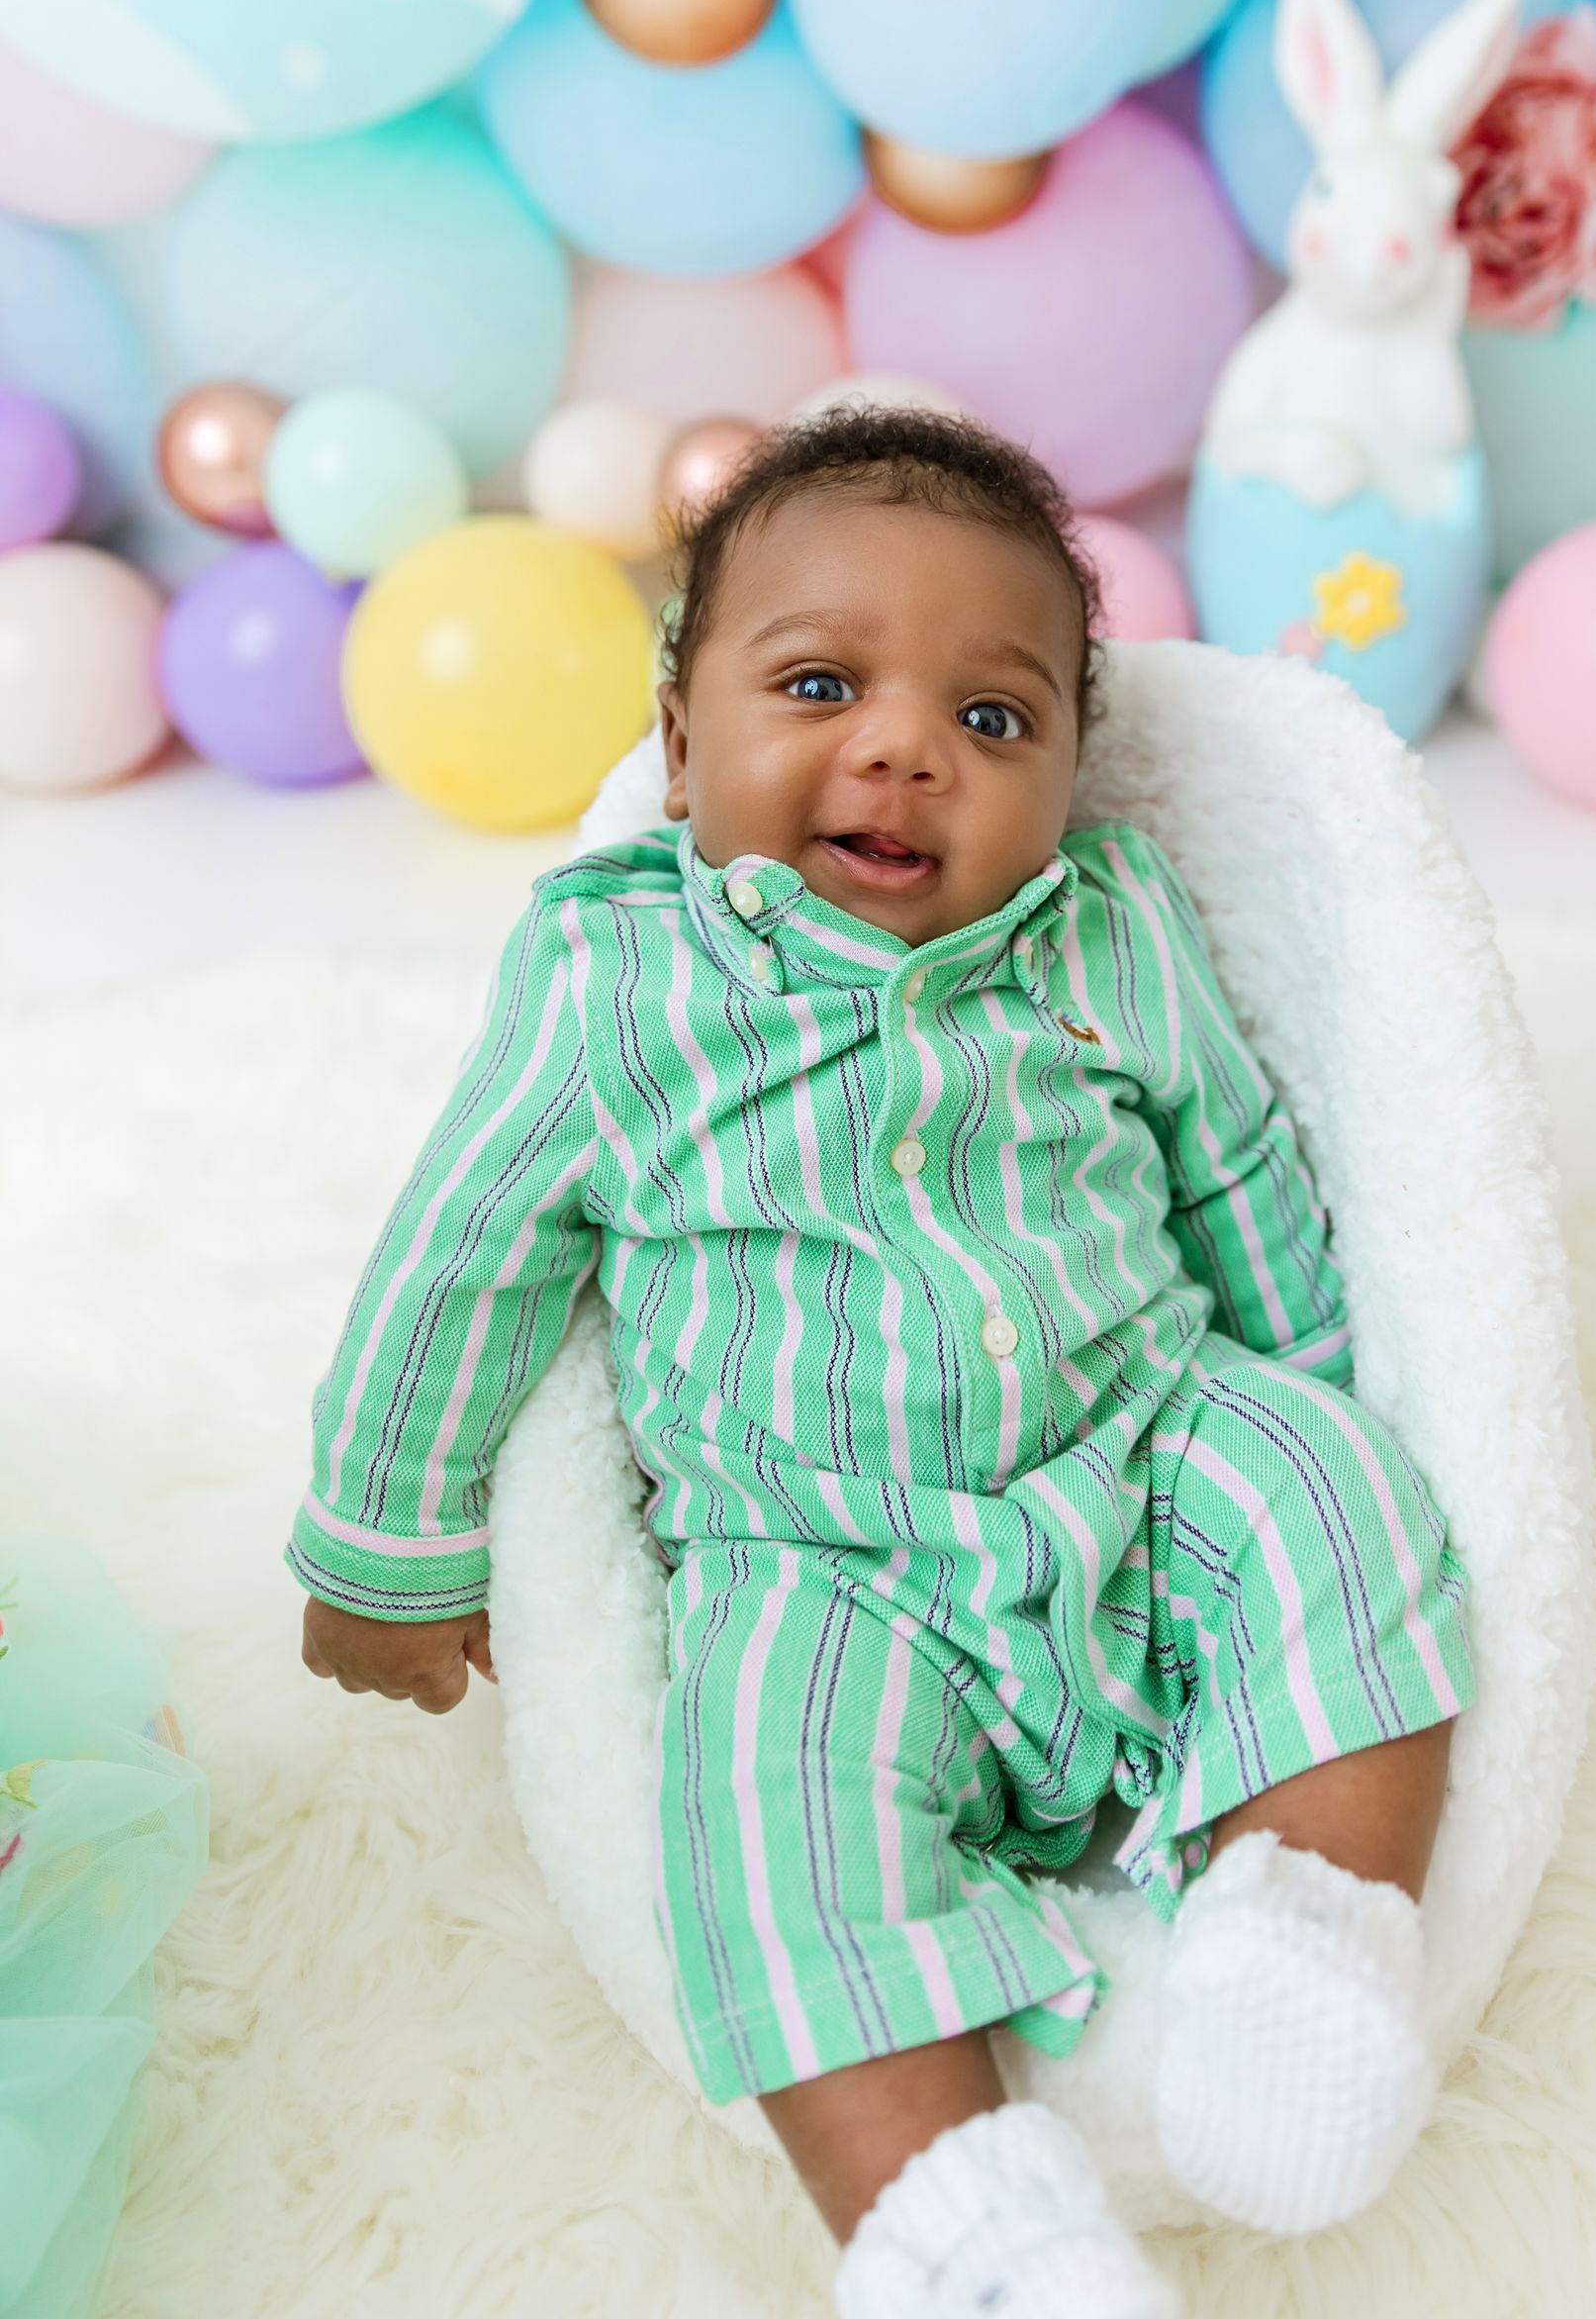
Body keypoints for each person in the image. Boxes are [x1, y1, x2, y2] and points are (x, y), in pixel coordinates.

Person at [289, 407, 1474, 2317]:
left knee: (1349, 1512)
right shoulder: (619, 984)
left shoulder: (1108, 932)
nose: (906, 749)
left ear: (1077, 775)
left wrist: (1322, 1389)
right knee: (757, 1825)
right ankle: (966, 2228)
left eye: (994, 722)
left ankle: (1305, 1936)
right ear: (682, 741)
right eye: (821, 683)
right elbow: (463, 1254)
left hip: (1139, 1438)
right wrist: (381, 1555)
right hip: (821, 1562)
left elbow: (1236, 1156)